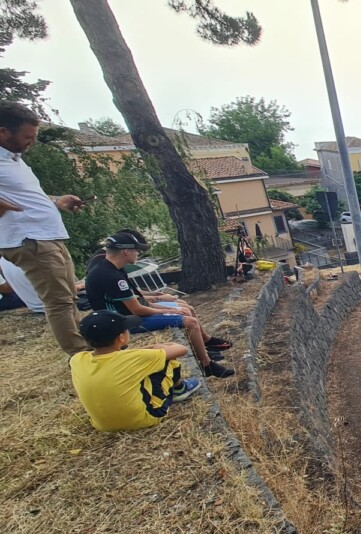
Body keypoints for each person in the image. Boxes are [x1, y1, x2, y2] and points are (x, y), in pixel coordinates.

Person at [0, 100, 89, 354]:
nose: (32, 142)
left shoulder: (13, 159)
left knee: (69, 297)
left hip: (47, 237)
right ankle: (81, 357)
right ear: (3, 132)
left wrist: (56, 201)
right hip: (30, 240)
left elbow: (26, 196)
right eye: (28, 136)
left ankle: (87, 347)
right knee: (59, 303)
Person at [84, 232, 235, 378]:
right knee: (190, 321)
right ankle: (206, 365)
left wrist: (159, 298)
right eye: (137, 250)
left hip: (121, 315)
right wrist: (170, 310)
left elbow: (135, 297)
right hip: (125, 322)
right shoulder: (112, 277)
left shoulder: (107, 268)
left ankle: (206, 344)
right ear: (126, 251)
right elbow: (137, 309)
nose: (138, 254)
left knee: (185, 308)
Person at [70, 310, 201, 432]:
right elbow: (181, 349)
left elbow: (118, 358)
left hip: (101, 426)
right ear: (121, 337)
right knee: (168, 360)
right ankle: (179, 389)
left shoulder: (77, 359)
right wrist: (158, 346)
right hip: (145, 419)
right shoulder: (133, 358)